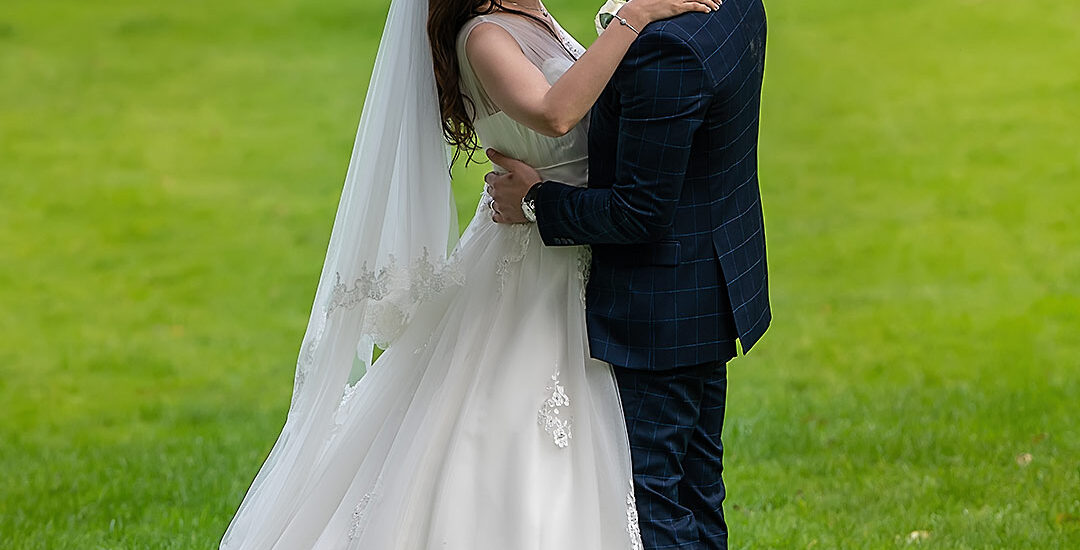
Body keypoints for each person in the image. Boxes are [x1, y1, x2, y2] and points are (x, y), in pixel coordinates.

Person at [219, 0, 724, 548]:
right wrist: (635, 18)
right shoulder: (483, 36)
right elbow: (556, 113)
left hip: (576, 237)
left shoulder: (532, 11)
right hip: (535, 256)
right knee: (507, 424)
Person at [486, 0, 770, 547]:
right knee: (698, 489)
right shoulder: (734, 5)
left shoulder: (667, 47)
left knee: (651, 502)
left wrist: (535, 200)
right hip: (713, 288)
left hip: (657, 312)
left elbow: (637, 212)